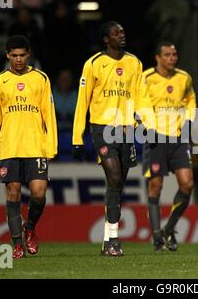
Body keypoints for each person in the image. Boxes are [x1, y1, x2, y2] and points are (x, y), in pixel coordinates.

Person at [72, 21, 143, 256]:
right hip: (102, 128)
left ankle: (107, 238)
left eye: (123, 32)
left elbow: (140, 96)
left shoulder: (134, 63)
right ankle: (114, 239)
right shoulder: (93, 64)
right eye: (116, 33)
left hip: (127, 130)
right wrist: (77, 137)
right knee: (113, 177)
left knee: (118, 184)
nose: (121, 35)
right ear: (106, 39)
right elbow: (83, 101)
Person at [0, 35, 57, 259]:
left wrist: (51, 146)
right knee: (13, 192)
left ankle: (30, 228)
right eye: (13, 55)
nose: (18, 59)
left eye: (22, 55)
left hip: (35, 146)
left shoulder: (41, 79)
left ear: (28, 55)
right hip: (9, 147)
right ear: (7, 56)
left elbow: (49, 114)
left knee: (39, 193)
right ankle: (17, 244)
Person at [142, 42, 196, 251]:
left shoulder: (184, 78)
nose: (172, 58)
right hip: (156, 139)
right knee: (156, 187)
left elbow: (191, 99)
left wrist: (190, 121)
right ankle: (156, 237)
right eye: (167, 55)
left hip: (179, 138)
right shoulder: (146, 78)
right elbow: (139, 104)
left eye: (174, 54)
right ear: (157, 57)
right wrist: (146, 126)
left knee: (187, 184)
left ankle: (169, 229)